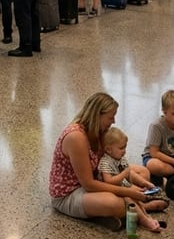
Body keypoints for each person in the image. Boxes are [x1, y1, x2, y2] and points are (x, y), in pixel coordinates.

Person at [49, 92, 154, 229]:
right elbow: (88, 184)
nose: (114, 121)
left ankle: (124, 210)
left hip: (97, 178)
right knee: (114, 203)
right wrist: (127, 191)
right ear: (97, 115)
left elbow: (111, 165)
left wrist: (134, 182)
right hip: (71, 193)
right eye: (110, 117)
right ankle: (138, 207)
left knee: (143, 173)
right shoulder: (76, 137)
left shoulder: (100, 131)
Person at [97, 127, 164, 233]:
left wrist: (144, 183)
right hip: (111, 190)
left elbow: (129, 175)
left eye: (125, 147)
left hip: (122, 186)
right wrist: (124, 174)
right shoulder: (105, 162)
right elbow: (108, 182)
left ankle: (146, 215)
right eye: (121, 148)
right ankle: (144, 220)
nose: (124, 151)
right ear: (109, 149)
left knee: (136, 197)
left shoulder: (120, 158)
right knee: (129, 199)